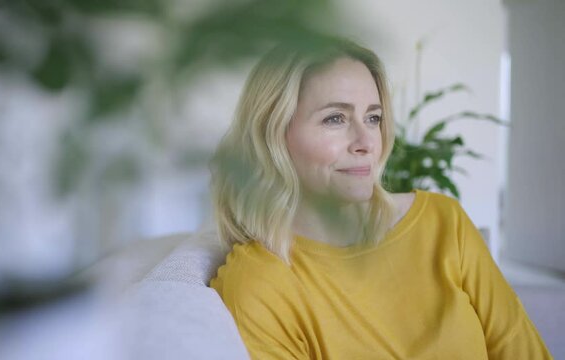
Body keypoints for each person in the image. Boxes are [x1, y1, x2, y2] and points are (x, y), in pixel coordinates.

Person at [208, 38, 552, 359]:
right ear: (274, 134)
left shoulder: (445, 223)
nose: (366, 141)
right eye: (335, 118)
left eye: (373, 118)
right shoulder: (259, 285)